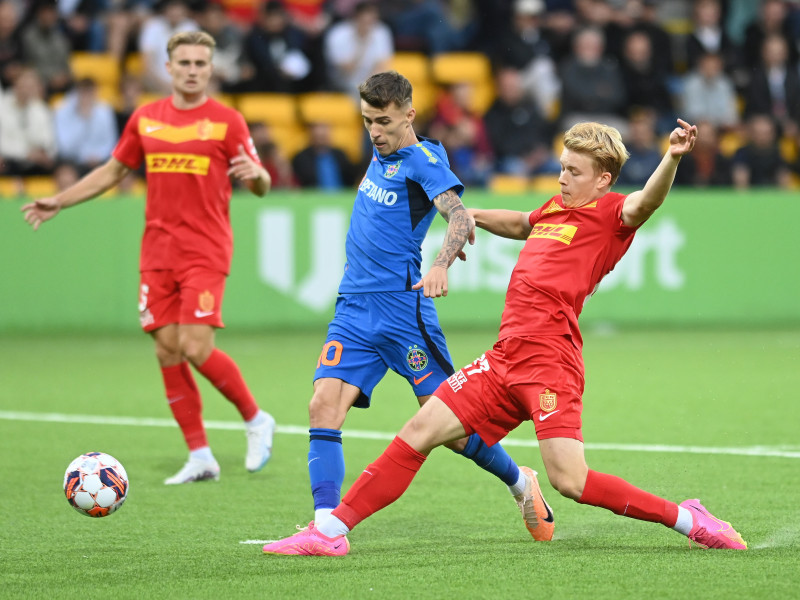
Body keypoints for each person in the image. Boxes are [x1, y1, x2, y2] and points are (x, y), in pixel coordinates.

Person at [263, 117, 749, 556]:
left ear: (602, 179)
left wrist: (671, 157)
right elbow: (521, 223)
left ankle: (689, 519)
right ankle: (331, 532)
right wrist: (468, 215)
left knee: (570, 481)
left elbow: (649, 201)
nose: (562, 178)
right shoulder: (555, 209)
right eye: (562, 167)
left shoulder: (613, 216)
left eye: (574, 172)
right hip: (502, 359)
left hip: (550, 362)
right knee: (420, 431)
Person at [295, 70, 553, 544]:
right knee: (322, 404)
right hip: (353, 309)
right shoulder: (380, 151)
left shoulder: (423, 159)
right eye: (368, 121)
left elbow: (457, 213)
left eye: (386, 122)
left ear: (409, 114)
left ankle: (521, 482)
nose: (375, 132)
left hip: (403, 314)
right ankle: (324, 526)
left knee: (451, 429)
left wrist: (441, 263)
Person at [21, 30, 276, 485]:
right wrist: (60, 199)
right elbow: (113, 170)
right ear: (169, 67)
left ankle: (256, 418)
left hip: (205, 248)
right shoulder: (145, 118)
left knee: (195, 346)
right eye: (185, 63)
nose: (193, 70)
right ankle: (200, 455)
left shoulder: (227, 121)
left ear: (211, 68)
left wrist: (256, 174)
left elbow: (260, 185)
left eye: (201, 63)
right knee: (166, 350)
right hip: (158, 251)